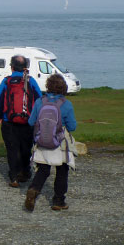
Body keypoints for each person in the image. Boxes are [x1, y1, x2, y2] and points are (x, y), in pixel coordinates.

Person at [24, 74, 77, 212]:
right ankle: (58, 201)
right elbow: (72, 127)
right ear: (63, 88)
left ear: (48, 86)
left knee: (43, 170)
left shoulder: (39, 101)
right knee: (62, 171)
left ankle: (33, 189)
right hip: (59, 143)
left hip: (42, 141)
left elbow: (31, 122)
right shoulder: (67, 104)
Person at [0, 55, 42, 188]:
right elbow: (39, 99)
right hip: (28, 121)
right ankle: (25, 172)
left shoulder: (6, 81)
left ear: (12, 67)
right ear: (26, 67)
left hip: (8, 121)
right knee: (26, 148)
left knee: (12, 149)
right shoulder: (31, 81)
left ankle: (14, 177)